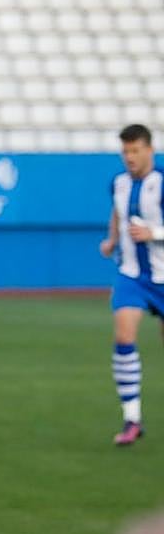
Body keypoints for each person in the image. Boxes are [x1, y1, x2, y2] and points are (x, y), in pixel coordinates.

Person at [98, 123, 164, 446]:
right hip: (132, 274)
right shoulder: (119, 183)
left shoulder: (162, 182)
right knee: (123, 335)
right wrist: (112, 240)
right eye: (125, 151)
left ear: (150, 150)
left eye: (135, 150)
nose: (130, 157)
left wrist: (155, 234)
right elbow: (118, 213)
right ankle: (132, 419)